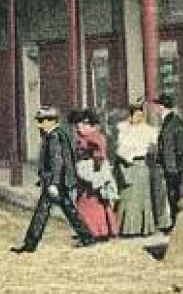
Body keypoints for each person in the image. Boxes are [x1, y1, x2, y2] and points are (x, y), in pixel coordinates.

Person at [12, 106, 96, 253]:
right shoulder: (56, 134)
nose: (39, 125)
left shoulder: (54, 137)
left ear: (51, 121)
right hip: (58, 181)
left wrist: (54, 184)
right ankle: (87, 237)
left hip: (56, 182)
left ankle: (31, 243)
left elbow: (57, 162)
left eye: (41, 121)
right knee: (68, 210)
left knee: (44, 211)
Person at [113, 103, 160, 238]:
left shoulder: (149, 130)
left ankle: (144, 227)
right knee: (127, 197)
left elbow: (154, 146)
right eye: (134, 114)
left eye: (140, 114)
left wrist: (146, 152)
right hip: (126, 166)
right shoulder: (123, 128)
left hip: (141, 165)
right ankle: (126, 228)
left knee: (141, 197)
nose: (137, 117)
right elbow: (119, 146)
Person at [71, 110, 118, 242]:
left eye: (84, 125)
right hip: (84, 171)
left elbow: (99, 155)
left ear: (92, 126)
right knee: (85, 202)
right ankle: (92, 230)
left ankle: (97, 231)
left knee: (93, 203)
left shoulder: (95, 138)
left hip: (92, 170)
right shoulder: (82, 138)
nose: (80, 128)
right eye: (79, 125)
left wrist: (96, 173)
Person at [153, 93, 183, 229]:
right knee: (173, 194)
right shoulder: (171, 121)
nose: (156, 110)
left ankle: (176, 224)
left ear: (162, 107)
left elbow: (175, 147)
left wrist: (174, 167)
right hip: (172, 165)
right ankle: (174, 223)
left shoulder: (173, 123)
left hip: (173, 166)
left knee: (173, 194)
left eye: (157, 106)